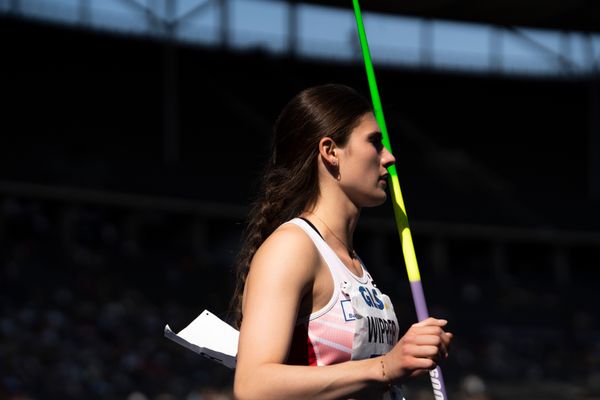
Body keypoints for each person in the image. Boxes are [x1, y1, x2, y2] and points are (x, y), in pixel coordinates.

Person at [230, 84, 452, 400]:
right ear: (331, 151)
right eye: (375, 143)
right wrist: (385, 367)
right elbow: (252, 386)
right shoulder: (292, 248)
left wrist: (410, 357)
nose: (389, 157)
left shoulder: (353, 261)